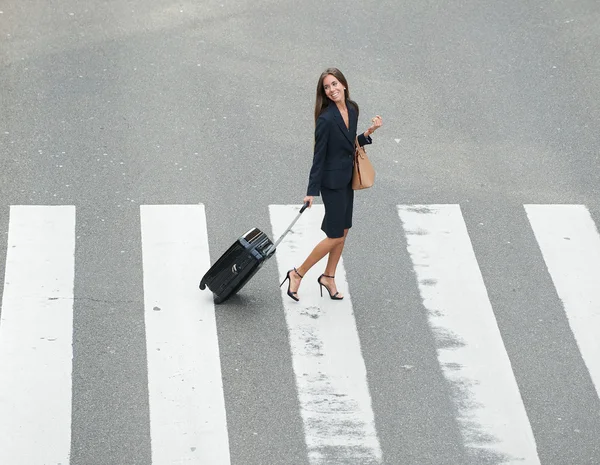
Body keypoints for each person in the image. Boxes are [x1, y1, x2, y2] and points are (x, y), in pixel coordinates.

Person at [280, 67, 382, 301]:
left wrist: (369, 132)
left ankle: (329, 276)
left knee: (344, 230)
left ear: (343, 85)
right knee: (335, 235)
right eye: (327, 87)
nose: (332, 89)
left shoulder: (353, 109)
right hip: (331, 182)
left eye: (334, 84)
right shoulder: (325, 120)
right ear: (324, 93)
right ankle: (297, 273)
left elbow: (349, 142)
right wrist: (311, 191)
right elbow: (319, 155)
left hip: (348, 178)